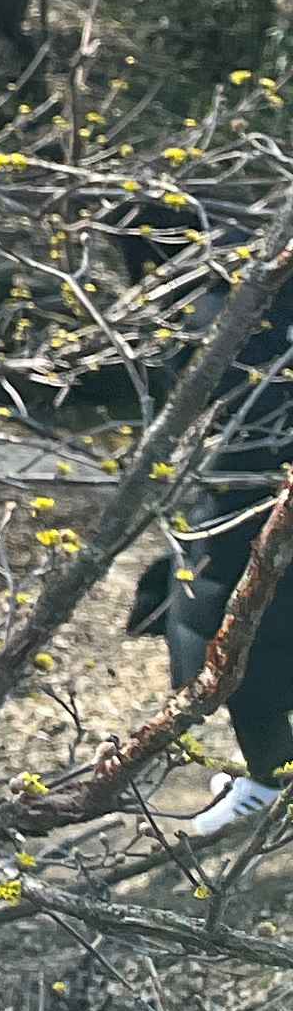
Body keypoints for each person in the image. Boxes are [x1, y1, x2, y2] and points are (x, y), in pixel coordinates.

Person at [148, 274, 293, 838]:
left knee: (226, 629)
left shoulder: (238, 280)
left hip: (248, 489)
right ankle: (269, 776)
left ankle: (267, 782)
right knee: (218, 622)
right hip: (234, 487)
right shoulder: (232, 270)